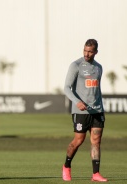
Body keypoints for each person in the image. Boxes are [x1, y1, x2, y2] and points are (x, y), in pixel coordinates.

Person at [62, 39, 107, 182]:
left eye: (90, 51)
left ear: (96, 52)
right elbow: (66, 88)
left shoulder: (99, 67)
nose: (87, 54)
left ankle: (96, 174)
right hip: (80, 112)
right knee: (78, 140)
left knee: (96, 141)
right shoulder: (76, 65)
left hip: (97, 111)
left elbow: (96, 90)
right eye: (85, 50)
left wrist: (100, 106)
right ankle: (66, 166)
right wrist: (77, 102)